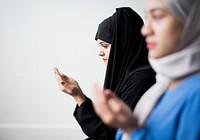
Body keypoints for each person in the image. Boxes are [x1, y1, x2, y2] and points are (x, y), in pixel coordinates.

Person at [92, 0, 200, 139]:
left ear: (191, 21)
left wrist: (130, 128)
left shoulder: (195, 93)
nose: (145, 30)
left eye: (157, 16)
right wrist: (127, 124)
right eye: (148, 18)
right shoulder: (163, 84)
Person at [54, 7, 156, 140]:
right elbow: (106, 127)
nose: (100, 52)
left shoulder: (142, 79)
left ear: (123, 44)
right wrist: (77, 94)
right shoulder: (129, 75)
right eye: (99, 46)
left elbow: (108, 136)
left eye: (105, 45)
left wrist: (78, 97)